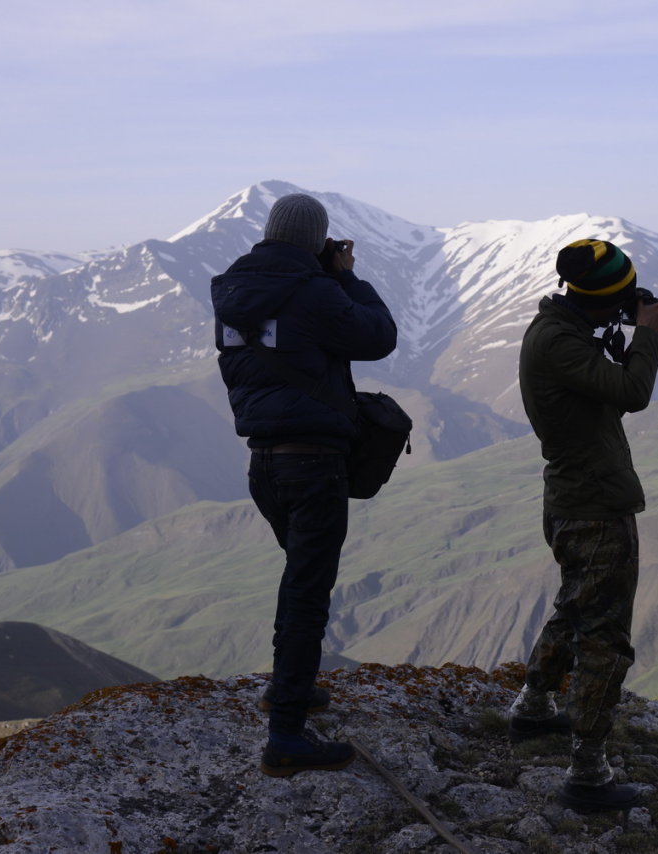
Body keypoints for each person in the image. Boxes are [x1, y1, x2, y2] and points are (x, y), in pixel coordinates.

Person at [211, 193, 397, 777]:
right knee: (308, 594)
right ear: (316, 241)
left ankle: (287, 689)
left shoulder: (232, 294)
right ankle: (287, 737)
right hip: (313, 463)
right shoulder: (317, 292)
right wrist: (346, 276)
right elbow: (379, 336)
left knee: (299, 580)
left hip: (263, 463)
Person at [508, 239, 658, 812]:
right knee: (604, 638)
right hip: (594, 507)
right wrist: (645, 334)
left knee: (577, 605)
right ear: (604, 300)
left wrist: (644, 336)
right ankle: (587, 772)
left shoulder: (564, 331)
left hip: (579, 497)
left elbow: (611, 391)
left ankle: (533, 706)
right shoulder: (558, 342)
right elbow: (632, 392)